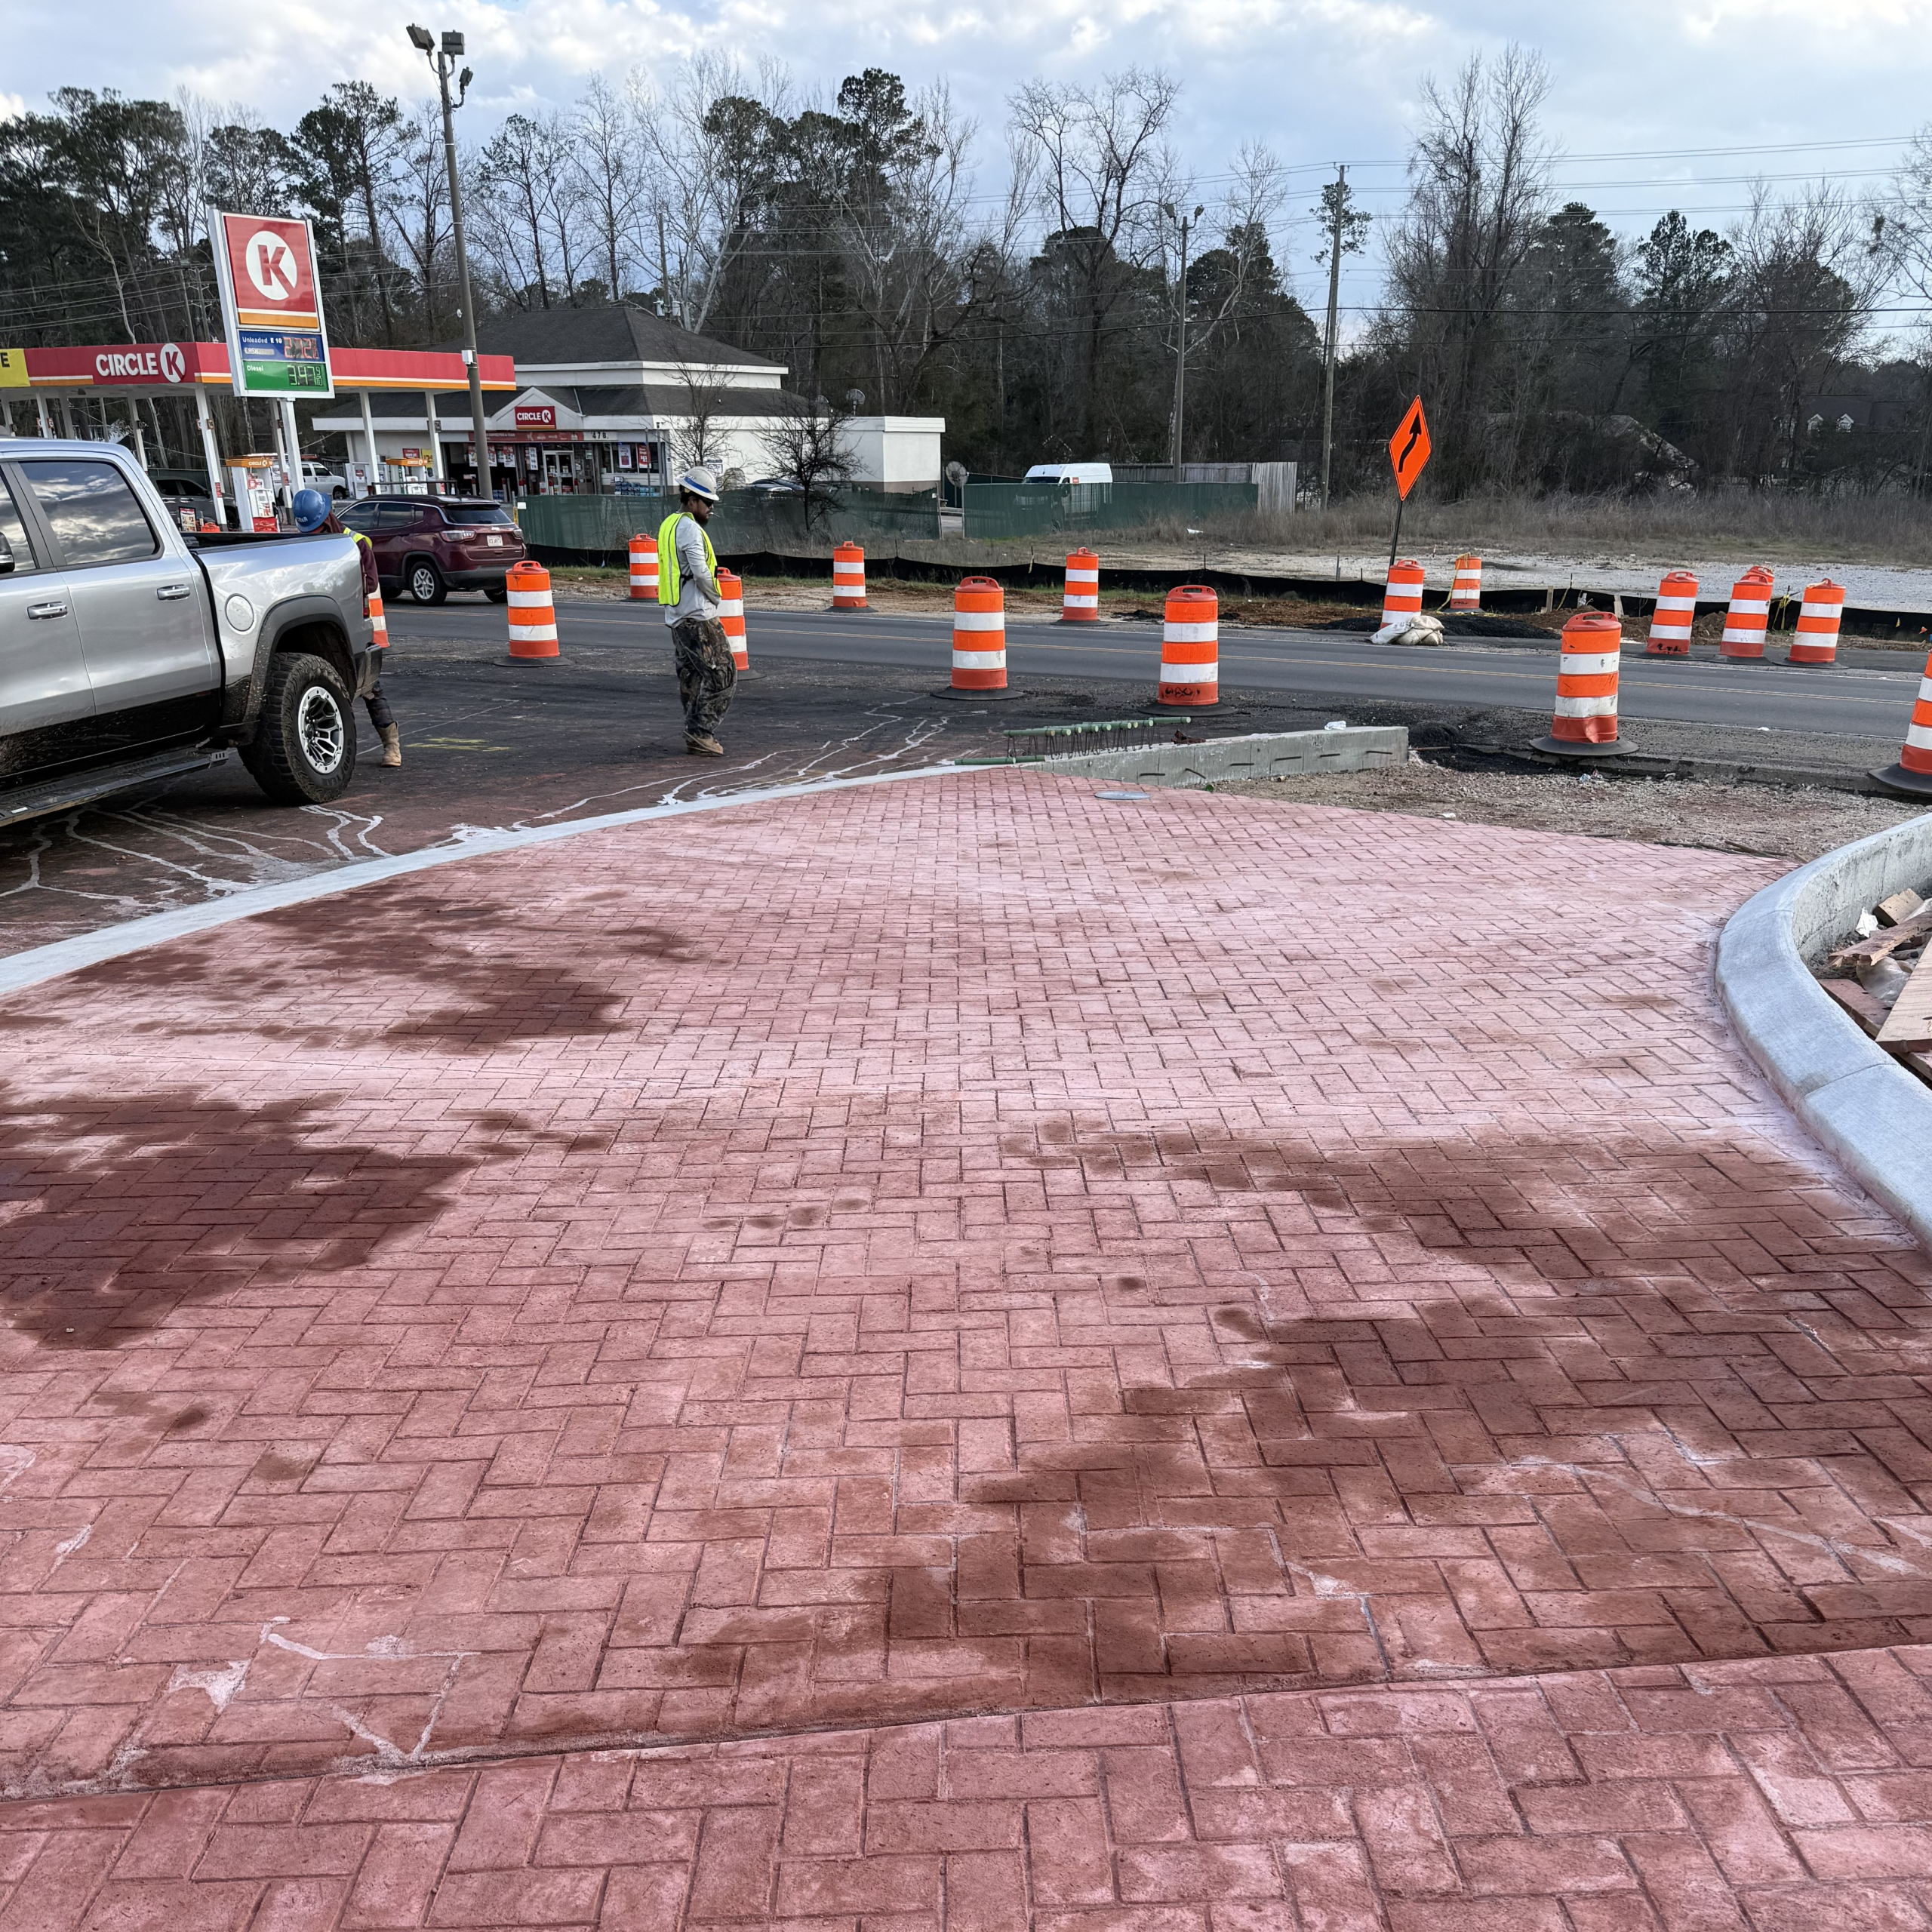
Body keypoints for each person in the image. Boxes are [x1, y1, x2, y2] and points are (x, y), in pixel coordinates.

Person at [291, 488, 401, 768]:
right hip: (322, 631)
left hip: (360, 628)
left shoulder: (356, 544)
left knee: (370, 688)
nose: (311, 536)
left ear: (326, 519)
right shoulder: (304, 543)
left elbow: (370, 584)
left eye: (315, 530)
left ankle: (392, 746)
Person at [654, 466, 734, 755]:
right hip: (698, 617)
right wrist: (717, 596)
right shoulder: (689, 528)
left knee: (692, 677)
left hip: (677, 616)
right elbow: (701, 573)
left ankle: (694, 733)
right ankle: (701, 732)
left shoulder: (668, 525)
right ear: (691, 500)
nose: (711, 508)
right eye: (707, 501)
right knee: (722, 674)